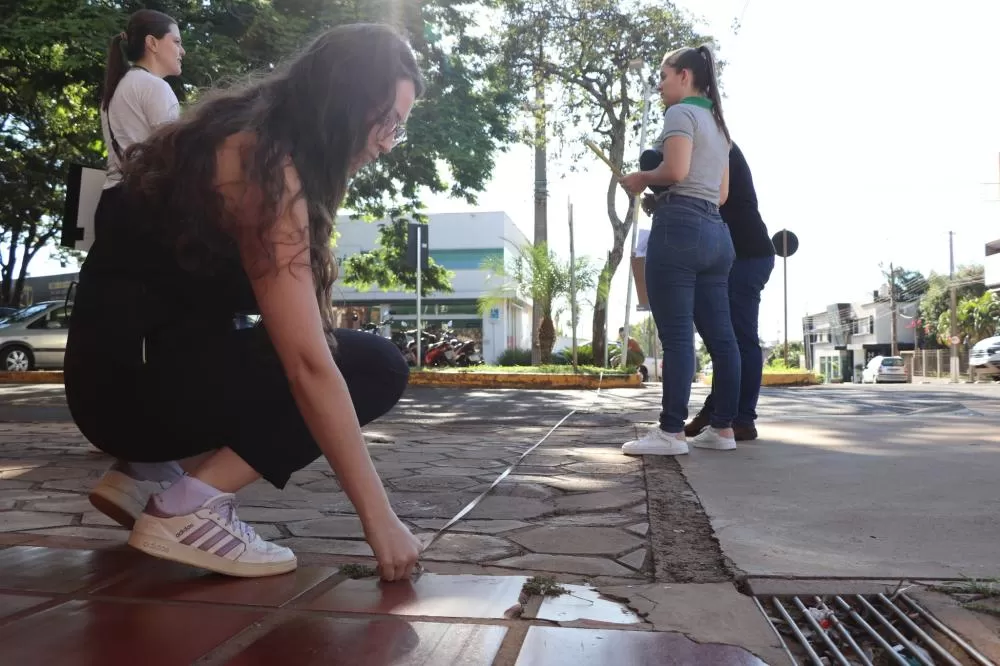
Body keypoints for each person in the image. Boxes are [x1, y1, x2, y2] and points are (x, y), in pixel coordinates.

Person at [65, 23, 423, 581]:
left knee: (317, 347)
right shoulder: (261, 167)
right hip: (123, 396)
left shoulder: (245, 140)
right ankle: (185, 508)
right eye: (385, 121)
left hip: (118, 383)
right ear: (344, 103)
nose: (385, 142)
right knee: (374, 366)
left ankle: (147, 472)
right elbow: (308, 364)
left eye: (398, 129)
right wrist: (380, 520)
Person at [618, 45, 740, 456]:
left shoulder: (680, 114)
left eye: (664, 75)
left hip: (680, 228)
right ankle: (723, 429)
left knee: (677, 337)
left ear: (685, 76)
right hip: (716, 232)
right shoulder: (720, 125)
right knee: (723, 339)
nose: (660, 83)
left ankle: (671, 433)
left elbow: (675, 172)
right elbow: (721, 194)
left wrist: (642, 178)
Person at [684, 143, 775, 441]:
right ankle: (718, 408)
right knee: (724, 337)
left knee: (739, 338)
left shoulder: (717, 145)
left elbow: (711, 197)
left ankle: (742, 419)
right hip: (734, 255)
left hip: (747, 255)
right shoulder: (713, 144)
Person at [101, 9, 184, 189]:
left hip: (109, 197)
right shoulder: (155, 86)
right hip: (142, 199)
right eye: (176, 42)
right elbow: (173, 155)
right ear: (152, 43)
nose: (182, 51)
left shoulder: (115, 88)